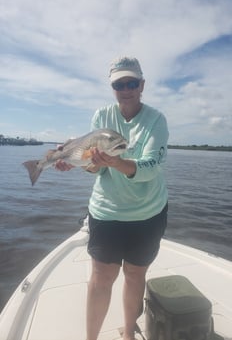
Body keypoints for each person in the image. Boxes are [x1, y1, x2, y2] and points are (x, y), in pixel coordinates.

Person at [56, 56, 169, 340]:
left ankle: (128, 333)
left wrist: (115, 162)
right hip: (107, 210)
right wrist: (77, 161)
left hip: (147, 213)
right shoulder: (101, 117)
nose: (127, 88)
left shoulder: (156, 120)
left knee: (134, 275)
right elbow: (96, 169)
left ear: (142, 85)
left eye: (132, 82)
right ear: (113, 88)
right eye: (120, 84)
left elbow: (152, 167)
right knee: (101, 278)